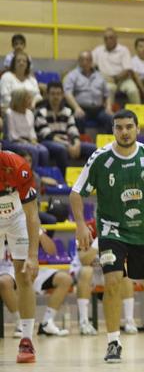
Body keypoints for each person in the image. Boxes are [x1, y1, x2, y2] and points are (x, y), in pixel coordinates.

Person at [69, 110, 144, 363]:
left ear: (137, 129)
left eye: (129, 126)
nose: (124, 131)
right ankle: (113, 342)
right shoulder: (100, 158)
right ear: (113, 130)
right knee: (113, 282)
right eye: (119, 127)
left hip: (143, 231)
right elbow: (76, 193)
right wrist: (80, 225)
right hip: (111, 230)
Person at [0, 150, 42, 363]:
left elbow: (32, 214)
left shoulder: (17, 165)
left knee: (24, 274)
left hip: (18, 217)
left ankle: (26, 339)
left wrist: (33, 255)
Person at [70, 219, 139, 336]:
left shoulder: (120, 229)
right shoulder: (85, 228)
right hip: (86, 270)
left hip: (106, 270)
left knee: (125, 274)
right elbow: (85, 260)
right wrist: (98, 242)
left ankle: (129, 321)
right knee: (87, 271)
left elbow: (124, 259)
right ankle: (84, 322)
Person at [34, 82, 97, 175]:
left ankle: (89, 179)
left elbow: (73, 130)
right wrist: (68, 145)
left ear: (63, 95)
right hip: (47, 142)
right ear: (47, 95)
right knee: (61, 149)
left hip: (65, 141)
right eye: (53, 94)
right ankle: (64, 179)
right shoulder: (41, 112)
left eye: (58, 94)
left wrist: (77, 143)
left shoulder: (67, 111)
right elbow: (47, 135)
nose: (56, 97)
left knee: (93, 148)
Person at [63, 50, 114, 134]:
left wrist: (108, 107)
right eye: (82, 60)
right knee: (78, 118)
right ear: (79, 61)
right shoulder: (72, 75)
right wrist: (76, 108)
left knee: (111, 118)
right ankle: (82, 144)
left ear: (91, 61)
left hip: (98, 109)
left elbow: (107, 94)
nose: (85, 62)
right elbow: (68, 93)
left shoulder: (99, 75)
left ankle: (109, 144)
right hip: (81, 108)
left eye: (87, 60)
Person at [92, 28, 141, 104]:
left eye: (111, 38)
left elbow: (128, 70)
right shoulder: (98, 50)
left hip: (123, 80)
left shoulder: (124, 50)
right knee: (109, 89)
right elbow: (90, 64)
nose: (108, 40)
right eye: (106, 38)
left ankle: (137, 113)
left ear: (116, 38)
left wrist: (114, 79)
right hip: (107, 80)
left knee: (133, 90)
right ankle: (109, 114)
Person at [4, 89, 49, 168]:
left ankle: (42, 174)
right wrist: (26, 142)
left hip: (28, 141)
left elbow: (32, 132)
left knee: (44, 150)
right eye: (28, 98)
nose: (30, 101)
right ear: (20, 100)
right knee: (33, 150)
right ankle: (31, 175)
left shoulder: (30, 113)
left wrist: (33, 140)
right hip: (13, 142)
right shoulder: (9, 113)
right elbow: (12, 135)